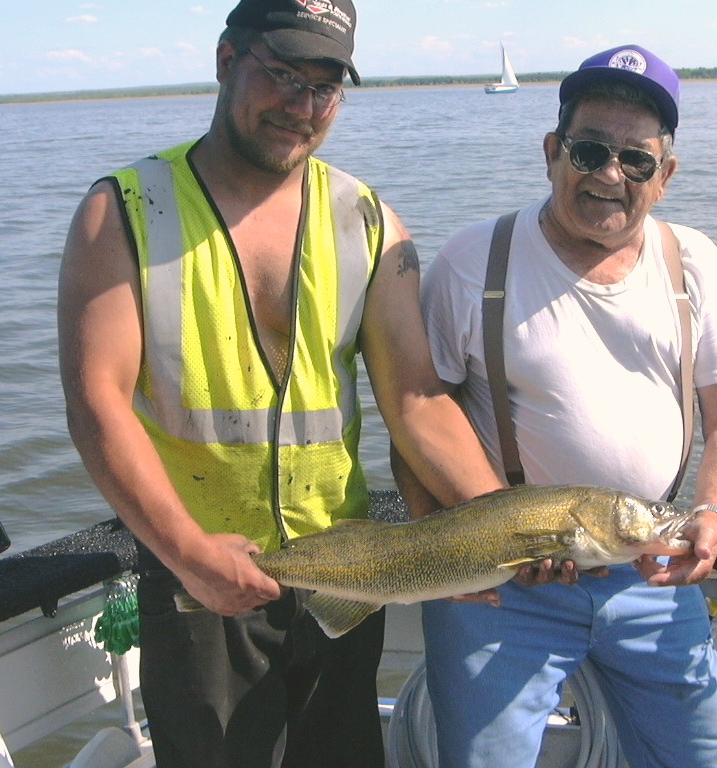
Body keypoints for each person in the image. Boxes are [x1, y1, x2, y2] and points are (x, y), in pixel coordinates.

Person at [56, 1, 502, 766]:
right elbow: (98, 407)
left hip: (348, 572)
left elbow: (417, 401)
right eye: (284, 75)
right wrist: (189, 552)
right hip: (197, 578)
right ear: (227, 61)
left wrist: (504, 526)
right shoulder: (123, 212)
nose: (302, 106)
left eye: (325, 87)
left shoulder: (369, 221)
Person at [397, 45, 717, 767]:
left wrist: (713, 516)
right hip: (504, 584)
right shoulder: (472, 262)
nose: (608, 175)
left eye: (637, 160)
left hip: (652, 572)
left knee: (699, 756)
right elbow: (418, 415)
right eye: (588, 151)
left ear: (666, 176)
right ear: (551, 153)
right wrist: (444, 553)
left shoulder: (695, 264)